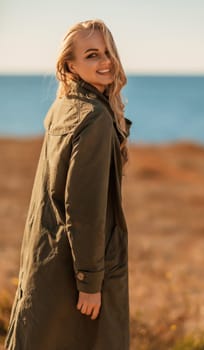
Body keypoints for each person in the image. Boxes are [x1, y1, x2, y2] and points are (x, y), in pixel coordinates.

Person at [4, 19, 132, 350]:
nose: (105, 61)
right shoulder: (94, 118)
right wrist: (89, 282)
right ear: (70, 65)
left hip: (47, 259)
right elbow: (84, 207)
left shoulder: (63, 107)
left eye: (107, 52)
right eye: (92, 55)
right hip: (77, 275)